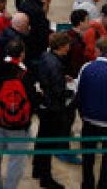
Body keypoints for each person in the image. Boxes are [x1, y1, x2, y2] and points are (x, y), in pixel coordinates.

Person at [76, 39, 107, 189]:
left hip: (88, 119)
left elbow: (79, 92)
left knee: (88, 154)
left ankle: (87, 184)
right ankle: (105, 184)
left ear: (97, 50)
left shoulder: (85, 67)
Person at [0, 38, 39, 189]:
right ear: (22, 54)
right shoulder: (24, 73)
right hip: (19, 125)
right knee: (16, 160)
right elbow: (32, 99)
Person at [33, 33, 74, 189]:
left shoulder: (46, 56)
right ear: (62, 46)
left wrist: (62, 79)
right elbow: (58, 91)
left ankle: (37, 169)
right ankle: (46, 177)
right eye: (67, 45)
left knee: (41, 139)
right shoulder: (56, 64)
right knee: (48, 143)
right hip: (53, 108)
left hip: (44, 105)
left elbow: (47, 79)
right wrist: (71, 92)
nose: (69, 48)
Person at [19, 0, 52, 68]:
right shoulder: (38, 10)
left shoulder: (23, 3)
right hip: (36, 47)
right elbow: (42, 29)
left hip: (25, 43)